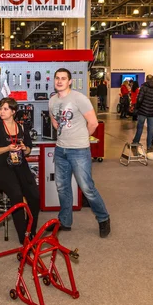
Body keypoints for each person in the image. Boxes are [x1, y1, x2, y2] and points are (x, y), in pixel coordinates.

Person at [49, 68, 110, 237]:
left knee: (87, 187)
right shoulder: (53, 100)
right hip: (61, 149)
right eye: (57, 78)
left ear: (70, 82)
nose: (59, 81)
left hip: (79, 151)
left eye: (63, 78)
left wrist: (81, 137)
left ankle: (103, 218)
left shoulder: (79, 98)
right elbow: (55, 122)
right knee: (62, 187)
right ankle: (65, 221)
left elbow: (93, 123)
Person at [0, 98, 40, 244]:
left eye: (5, 109)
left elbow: (28, 148)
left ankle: (31, 230)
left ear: (13, 111)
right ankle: (23, 237)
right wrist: (7, 148)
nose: (1, 111)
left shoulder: (21, 128)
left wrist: (24, 148)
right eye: (0, 108)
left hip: (20, 166)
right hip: (1, 168)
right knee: (16, 195)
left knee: (34, 196)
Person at [131, 75, 153, 151]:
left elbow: (139, 99)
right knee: (150, 128)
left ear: (146, 79)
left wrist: (137, 107)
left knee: (140, 127)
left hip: (142, 111)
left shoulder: (143, 87)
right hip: (151, 111)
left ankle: (136, 142)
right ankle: (149, 145)